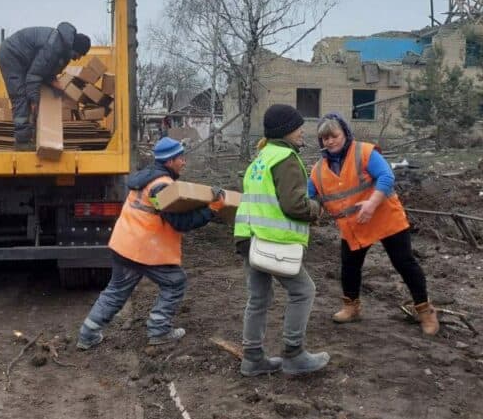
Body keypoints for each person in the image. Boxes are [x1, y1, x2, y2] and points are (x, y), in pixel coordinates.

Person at [76, 136, 226, 349]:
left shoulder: (146, 178)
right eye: (180, 158)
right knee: (175, 282)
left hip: (124, 245)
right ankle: (159, 330)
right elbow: (180, 222)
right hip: (145, 249)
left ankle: (87, 335)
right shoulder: (163, 186)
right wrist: (212, 210)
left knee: (116, 291)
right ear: (169, 161)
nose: (184, 162)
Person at [308, 112, 438, 335]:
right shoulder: (318, 171)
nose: (330, 141)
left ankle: (425, 310)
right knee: (349, 267)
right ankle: (351, 307)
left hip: (384, 217)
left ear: (345, 134)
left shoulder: (365, 152)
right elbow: (308, 197)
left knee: (404, 263)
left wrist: (371, 203)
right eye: (324, 138)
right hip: (354, 225)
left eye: (333, 136)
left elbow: (387, 177)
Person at [234, 105, 329, 376]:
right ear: (286, 130)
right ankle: (294, 354)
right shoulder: (286, 158)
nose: (303, 131)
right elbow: (293, 206)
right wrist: (316, 208)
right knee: (303, 291)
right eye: (299, 127)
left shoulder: (262, 158)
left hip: (248, 237)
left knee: (258, 298)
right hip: (271, 239)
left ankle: (252, 358)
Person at [0, 22, 92, 148]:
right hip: (11, 54)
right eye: (79, 55)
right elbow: (34, 76)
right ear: (75, 48)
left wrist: (55, 85)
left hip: (24, 59)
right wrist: (34, 101)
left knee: (31, 96)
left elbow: (45, 71)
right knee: (20, 96)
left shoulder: (63, 49)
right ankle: (22, 142)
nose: (78, 59)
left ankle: (32, 135)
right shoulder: (54, 47)